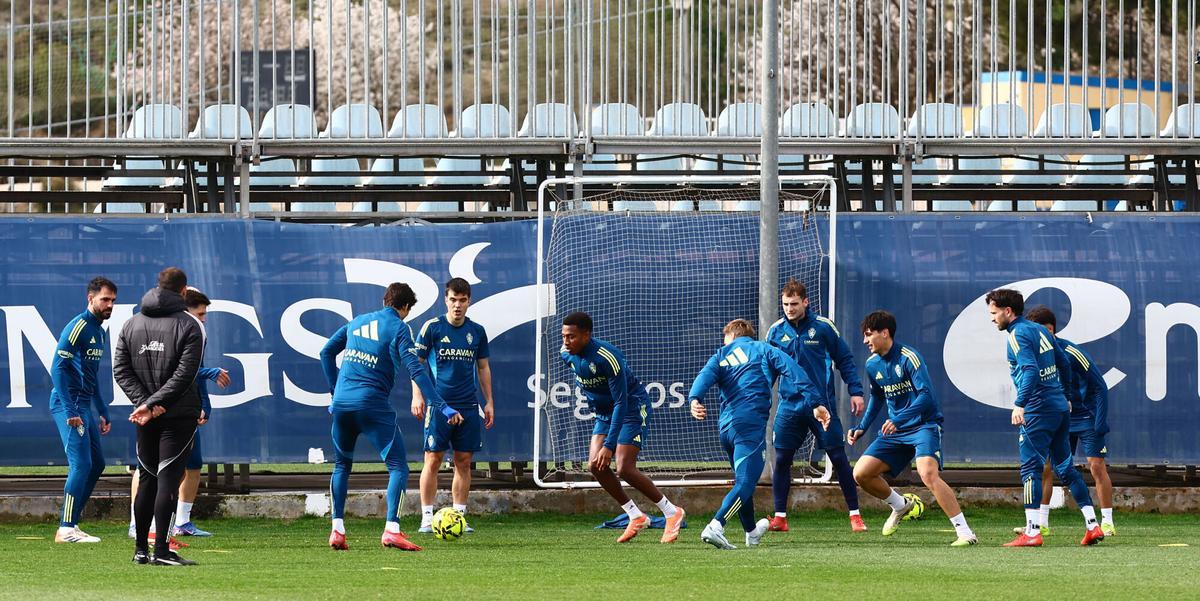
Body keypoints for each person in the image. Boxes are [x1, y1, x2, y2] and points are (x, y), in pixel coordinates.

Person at [319, 282, 456, 552]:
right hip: (372, 406)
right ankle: (392, 529)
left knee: (341, 466)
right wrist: (441, 405)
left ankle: (337, 529)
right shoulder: (399, 328)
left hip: (343, 407)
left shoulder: (357, 321)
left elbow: (326, 352)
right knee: (398, 467)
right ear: (405, 308)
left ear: (385, 300)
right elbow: (416, 370)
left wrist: (335, 393)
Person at [689, 319, 830, 550]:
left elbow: (704, 377)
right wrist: (816, 402)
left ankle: (752, 533)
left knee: (743, 481)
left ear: (732, 336)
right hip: (750, 426)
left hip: (726, 428)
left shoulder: (721, 354)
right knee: (746, 482)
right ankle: (716, 526)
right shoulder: (764, 349)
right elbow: (794, 371)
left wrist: (695, 400)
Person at [985, 289, 1105, 547]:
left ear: (1008, 311)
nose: (992, 319)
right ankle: (1093, 526)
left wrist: (1020, 404)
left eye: (994, 313)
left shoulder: (1017, 333)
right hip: (1060, 408)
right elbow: (1062, 362)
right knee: (1065, 468)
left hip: (1038, 410)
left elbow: (1029, 370)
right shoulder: (1040, 330)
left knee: (1031, 469)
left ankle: (1032, 532)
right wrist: (1065, 394)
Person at [848, 310, 977, 546]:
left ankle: (965, 532)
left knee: (928, 474)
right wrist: (862, 427)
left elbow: (927, 397)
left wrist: (898, 419)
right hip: (896, 432)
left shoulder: (909, 357)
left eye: (868, 335)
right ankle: (901, 505)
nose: (865, 341)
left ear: (884, 333)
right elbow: (877, 397)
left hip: (923, 425)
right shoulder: (872, 364)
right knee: (861, 473)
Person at [559, 311, 685, 544]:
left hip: (631, 409)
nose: (566, 342)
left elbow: (621, 401)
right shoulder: (566, 354)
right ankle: (635, 515)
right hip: (604, 414)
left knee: (625, 468)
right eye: (564, 336)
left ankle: (671, 512)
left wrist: (609, 445)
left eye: (572, 337)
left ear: (587, 335)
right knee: (595, 466)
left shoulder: (607, 357)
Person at [114, 267, 206, 566]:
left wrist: (145, 405)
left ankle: (141, 551)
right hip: (178, 414)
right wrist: (154, 403)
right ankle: (163, 551)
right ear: (183, 292)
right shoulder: (190, 325)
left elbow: (121, 370)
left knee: (147, 477)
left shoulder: (131, 324)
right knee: (169, 477)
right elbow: (185, 374)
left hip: (146, 416)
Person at [766, 278, 867, 532]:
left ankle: (855, 515)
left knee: (838, 456)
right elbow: (767, 369)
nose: (789, 309)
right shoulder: (776, 331)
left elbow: (844, 359)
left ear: (806, 302)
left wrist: (855, 391)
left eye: (794, 304)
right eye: (786, 304)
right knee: (781, 459)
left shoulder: (823, 327)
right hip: (789, 406)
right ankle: (780, 517)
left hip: (822, 406)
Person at [1021, 306, 1115, 537]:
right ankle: (1042, 522)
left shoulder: (1071, 351)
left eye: (1044, 331)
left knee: (1096, 466)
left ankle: (1107, 522)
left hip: (1086, 417)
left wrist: (1100, 421)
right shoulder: (1035, 354)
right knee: (1048, 467)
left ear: (1052, 329)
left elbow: (1100, 385)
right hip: (1059, 417)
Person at [411, 278, 494, 534]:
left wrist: (489, 401)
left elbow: (483, 367)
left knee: (463, 461)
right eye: (453, 300)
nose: (457, 305)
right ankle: (427, 517)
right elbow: (417, 363)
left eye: (462, 300)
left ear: (469, 301)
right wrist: (418, 396)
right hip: (439, 405)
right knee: (433, 459)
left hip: (468, 405)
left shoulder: (477, 331)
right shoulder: (432, 328)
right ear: (445, 300)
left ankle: (459, 516)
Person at [49, 276, 117, 543]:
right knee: (81, 464)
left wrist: (102, 409)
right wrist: (69, 410)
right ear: (91, 299)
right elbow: (57, 368)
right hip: (69, 405)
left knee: (97, 464)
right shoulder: (78, 326)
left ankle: (72, 523)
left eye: (112, 300)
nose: (109, 304)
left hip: (84, 405)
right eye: (105, 299)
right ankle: (65, 528)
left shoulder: (100, 331)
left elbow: (91, 375)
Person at [173, 288, 230, 536]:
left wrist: (205, 404)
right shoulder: (173, 331)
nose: (204, 318)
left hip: (188, 408)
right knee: (153, 469)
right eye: (201, 313)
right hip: (168, 408)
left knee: (194, 465)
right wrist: (211, 373)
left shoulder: (197, 333)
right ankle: (143, 523)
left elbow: (197, 370)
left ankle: (182, 522)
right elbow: (176, 371)